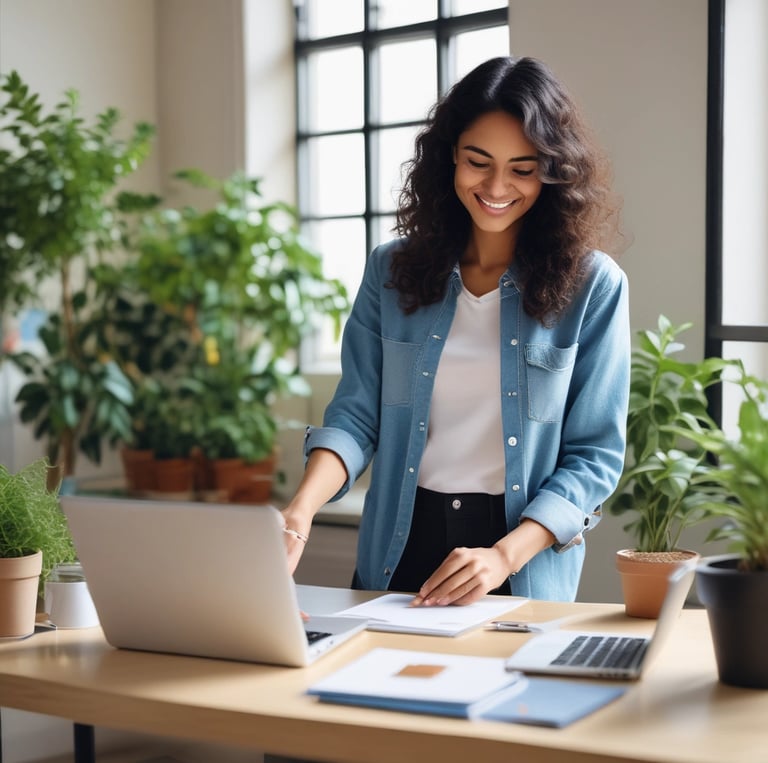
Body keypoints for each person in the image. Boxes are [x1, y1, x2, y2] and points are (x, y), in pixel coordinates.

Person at [281, 55, 630, 605]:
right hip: (398, 543)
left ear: (552, 172)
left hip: (517, 559)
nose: (496, 185)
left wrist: (504, 556)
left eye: (523, 168)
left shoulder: (593, 285)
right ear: (448, 159)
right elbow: (355, 416)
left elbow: (594, 455)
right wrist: (299, 512)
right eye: (478, 161)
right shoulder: (390, 270)